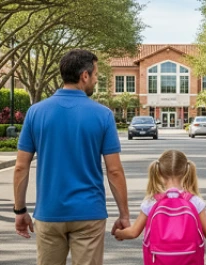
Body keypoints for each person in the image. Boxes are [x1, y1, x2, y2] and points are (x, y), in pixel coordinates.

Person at [12, 49, 130, 265]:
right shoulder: (102, 115)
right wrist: (124, 215)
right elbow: (114, 171)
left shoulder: (36, 112)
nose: (96, 80)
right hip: (89, 213)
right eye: (95, 75)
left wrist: (20, 211)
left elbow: (21, 167)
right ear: (84, 76)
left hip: (49, 212)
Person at [113, 150, 206, 263]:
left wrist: (119, 233)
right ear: (186, 170)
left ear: (159, 171)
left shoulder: (151, 201)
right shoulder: (194, 201)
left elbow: (133, 232)